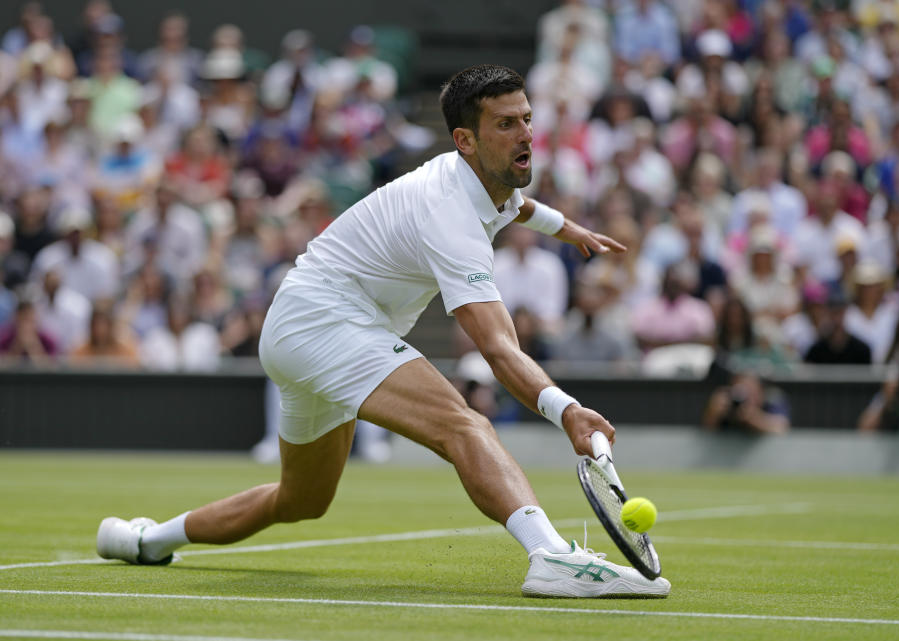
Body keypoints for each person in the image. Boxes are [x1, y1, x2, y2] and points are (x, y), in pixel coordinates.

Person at [95, 65, 671, 598]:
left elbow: (516, 205)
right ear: (464, 140)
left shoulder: (483, 179)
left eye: (526, 120)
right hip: (323, 320)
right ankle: (549, 556)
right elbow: (497, 348)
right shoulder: (449, 216)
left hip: (303, 327)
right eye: (505, 124)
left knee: (301, 501)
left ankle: (146, 540)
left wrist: (565, 228)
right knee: (462, 424)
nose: (524, 135)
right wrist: (567, 410)